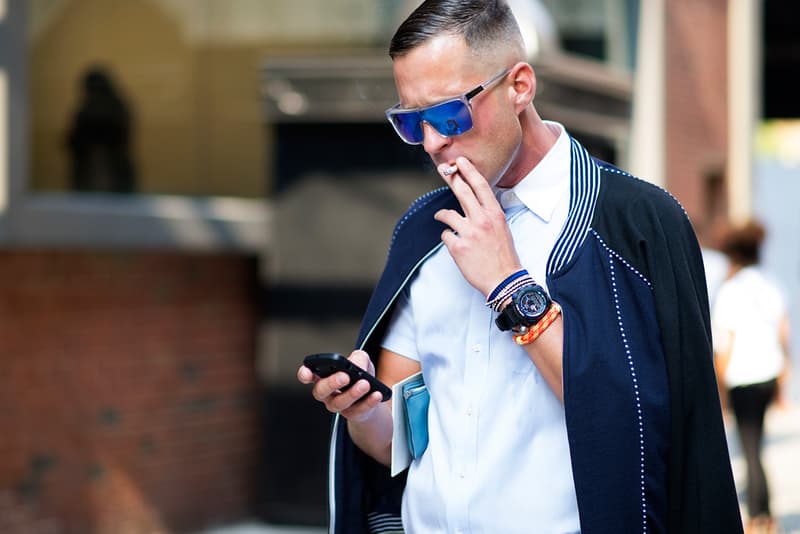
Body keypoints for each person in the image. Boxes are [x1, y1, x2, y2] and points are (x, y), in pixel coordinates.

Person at [297, 1, 743, 532]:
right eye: (412, 122)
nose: (434, 142)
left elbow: (642, 430)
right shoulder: (423, 230)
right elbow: (400, 442)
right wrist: (361, 410)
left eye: (447, 114)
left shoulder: (637, 223)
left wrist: (509, 285)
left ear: (520, 86)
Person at [712, 220, 791, 534]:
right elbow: (784, 335)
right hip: (769, 373)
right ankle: (766, 513)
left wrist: (719, 387)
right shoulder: (772, 285)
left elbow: (724, 345)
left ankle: (759, 516)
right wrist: (784, 379)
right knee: (758, 442)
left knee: (750, 447)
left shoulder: (730, 291)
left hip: (741, 377)